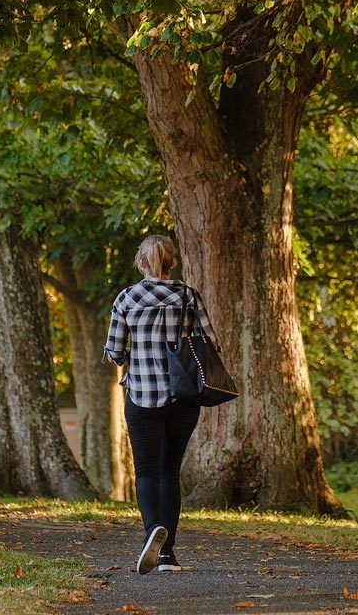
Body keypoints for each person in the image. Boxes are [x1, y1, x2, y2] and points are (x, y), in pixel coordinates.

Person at [103, 234, 215, 574]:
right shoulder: (188, 296)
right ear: (172, 264)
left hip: (142, 397)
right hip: (184, 397)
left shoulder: (127, 298)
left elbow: (115, 353)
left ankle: (153, 528)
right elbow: (210, 344)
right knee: (170, 472)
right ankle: (168, 556)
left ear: (142, 264)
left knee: (147, 471)